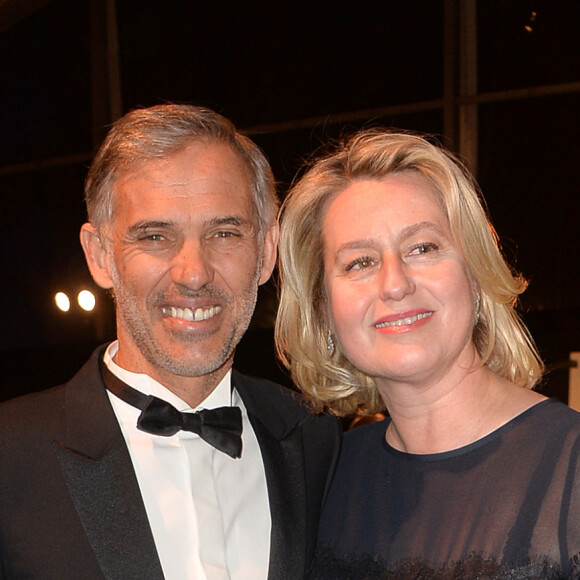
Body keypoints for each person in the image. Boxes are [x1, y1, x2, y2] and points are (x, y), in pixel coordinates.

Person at [0, 104, 340, 580]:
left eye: (224, 233)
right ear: (99, 257)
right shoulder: (11, 455)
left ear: (266, 252)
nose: (194, 272)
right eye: (156, 236)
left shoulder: (316, 439)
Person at [276, 129, 580, 578]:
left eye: (423, 248)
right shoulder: (325, 479)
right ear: (324, 308)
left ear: (476, 273)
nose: (395, 284)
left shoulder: (569, 464)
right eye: (359, 262)